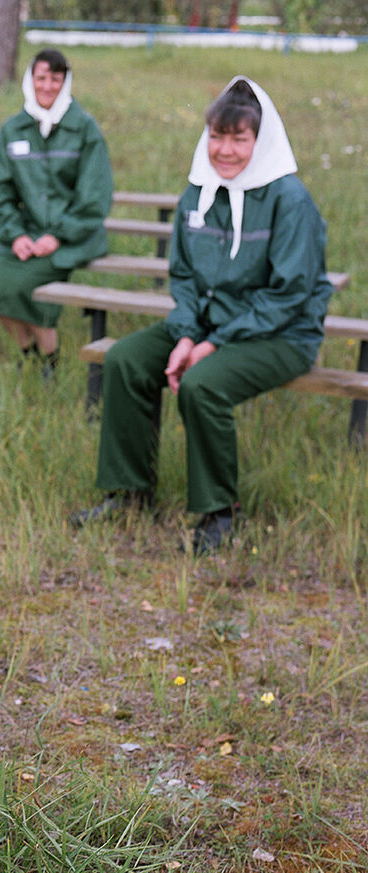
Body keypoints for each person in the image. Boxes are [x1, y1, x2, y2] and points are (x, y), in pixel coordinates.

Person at [70, 77, 332, 555]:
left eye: (239, 139)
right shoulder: (198, 192)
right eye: (217, 136)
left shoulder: (289, 200)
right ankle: (130, 494)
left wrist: (213, 344)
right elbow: (185, 276)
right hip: (210, 324)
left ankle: (219, 512)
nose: (225, 150)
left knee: (202, 384)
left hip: (282, 334)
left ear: (261, 141)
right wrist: (188, 336)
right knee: (126, 360)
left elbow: (289, 295)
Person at [0, 48, 113, 377]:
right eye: (41, 78)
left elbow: (95, 196)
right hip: (28, 235)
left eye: (56, 79)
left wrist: (58, 235)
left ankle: (50, 363)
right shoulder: (13, 130)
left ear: (66, 82)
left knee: (29, 290)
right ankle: (31, 355)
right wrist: (16, 235)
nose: (48, 86)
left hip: (75, 237)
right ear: (30, 80)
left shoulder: (84, 129)